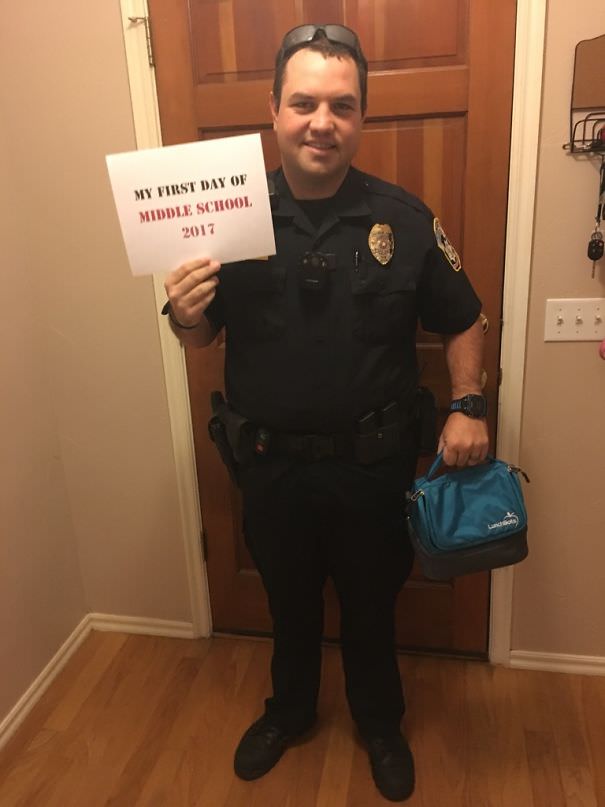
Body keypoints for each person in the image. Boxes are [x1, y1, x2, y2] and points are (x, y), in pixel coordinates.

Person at [163, 23, 488, 803]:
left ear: (361, 118)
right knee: (287, 597)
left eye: (341, 106)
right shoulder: (221, 217)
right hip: (269, 463)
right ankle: (290, 710)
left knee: (373, 602)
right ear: (272, 109)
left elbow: (464, 317)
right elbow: (201, 334)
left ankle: (379, 724)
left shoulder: (403, 219)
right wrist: (181, 311)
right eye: (303, 102)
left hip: (371, 464)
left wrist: (468, 405)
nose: (321, 121)